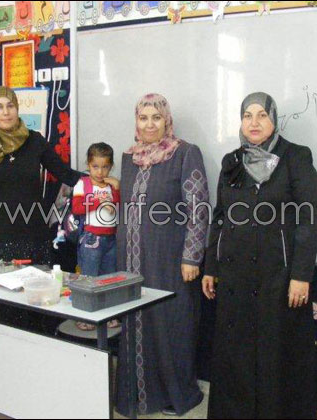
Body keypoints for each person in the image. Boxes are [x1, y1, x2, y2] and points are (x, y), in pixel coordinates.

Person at [202, 92, 317, 419]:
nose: (254, 123)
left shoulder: (295, 157)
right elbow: (220, 217)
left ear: (274, 119)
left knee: (274, 355)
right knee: (236, 356)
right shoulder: (232, 161)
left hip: (277, 278)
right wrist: (211, 266)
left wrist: (301, 275)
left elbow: (309, 218)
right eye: (247, 116)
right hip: (235, 276)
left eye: (262, 115)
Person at [115, 93, 209, 416]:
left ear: (167, 120)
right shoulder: (129, 157)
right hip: (131, 259)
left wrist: (192, 256)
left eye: (156, 117)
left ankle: (177, 395)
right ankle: (138, 396)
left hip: (170, 259)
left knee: (172, 324)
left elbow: (198, 208)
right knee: (136, 323)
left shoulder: (185, 153)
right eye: (143, 118)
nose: (149, 124)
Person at [0, 86, 82, 264]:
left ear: (17, 108)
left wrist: (98, 180)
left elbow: (65, 173)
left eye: (10, 106)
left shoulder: (34, 141)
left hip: (34, 235)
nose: (6, 112)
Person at [72, 142, 121, 331]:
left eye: (105, 167)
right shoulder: (83, 183)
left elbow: (119, 207)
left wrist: (117, 189)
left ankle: (107, 315)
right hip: (91, 238)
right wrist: (100, 202)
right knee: (88, 278)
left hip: (111, 238)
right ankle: (85, 316)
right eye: (95, 167)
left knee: (109, 278)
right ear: (88, 164)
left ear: (111, 166)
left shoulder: (111, 185)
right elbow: (77, 208)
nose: (100, 172)